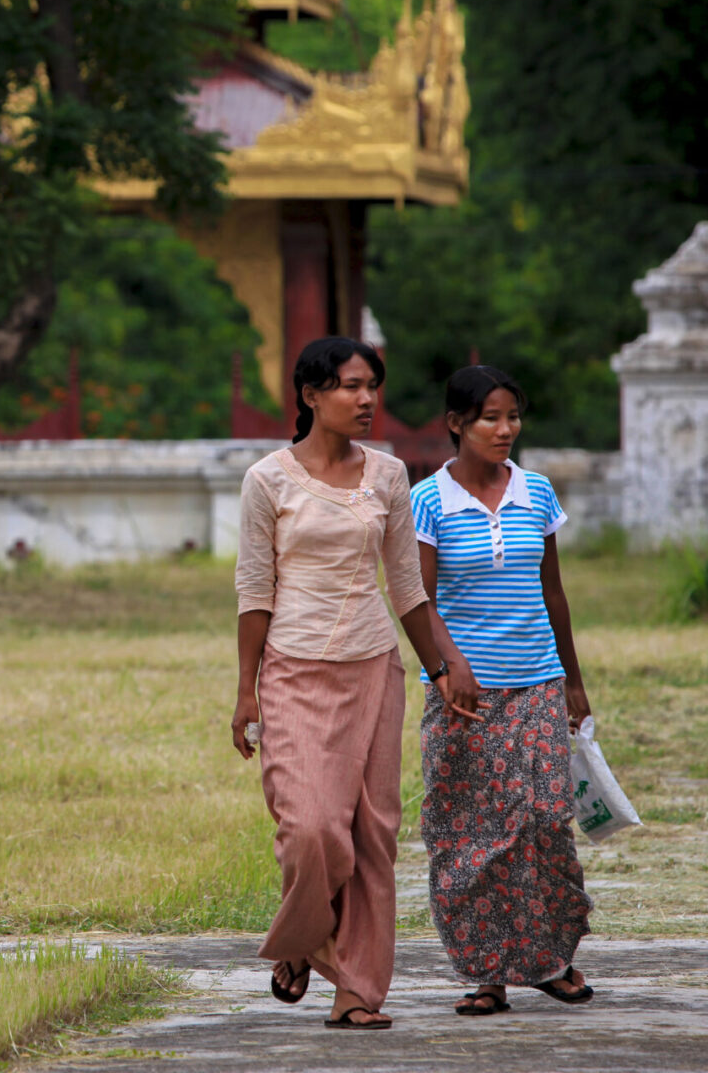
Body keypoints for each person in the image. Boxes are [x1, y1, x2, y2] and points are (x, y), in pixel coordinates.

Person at [231, 337, 478, 1031]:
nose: (367, 400)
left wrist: (440, 668)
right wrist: (245, 691)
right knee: (313, 830)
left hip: (374, 668)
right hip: (292, 669)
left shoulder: (390, 476)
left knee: (371, 834)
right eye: (349, 386)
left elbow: (405, 586)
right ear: (310, 395)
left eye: (372, 385)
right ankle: (304, 938)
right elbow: (255, 589)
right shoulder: (268, 480)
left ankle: (357, 991)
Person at [409, 364, 596, 1016]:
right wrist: (449, 666)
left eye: (513, 416)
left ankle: (549, 961)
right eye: (490, 417)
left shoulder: (537, 492)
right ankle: (484, 971)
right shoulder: (428, 501)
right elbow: (418, 598)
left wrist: (572, 680)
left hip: (539, 682)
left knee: (544, 822)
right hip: (464, 694)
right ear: (456, 424)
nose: (505, 429)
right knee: (470, 832)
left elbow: (552, 590)